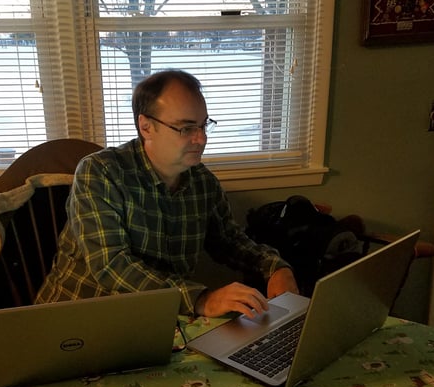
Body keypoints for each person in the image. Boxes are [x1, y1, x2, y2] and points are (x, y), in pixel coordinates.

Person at [35, 69, 298, 318]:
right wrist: (202, 299)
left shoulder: (202, 182)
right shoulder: (102, 172)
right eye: (186, 128)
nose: (201, 139)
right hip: (77, 319)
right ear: (146, 126)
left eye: (204, 125)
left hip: (156, 321)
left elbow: (229, 241)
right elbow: (111, 265)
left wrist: (275, 266)